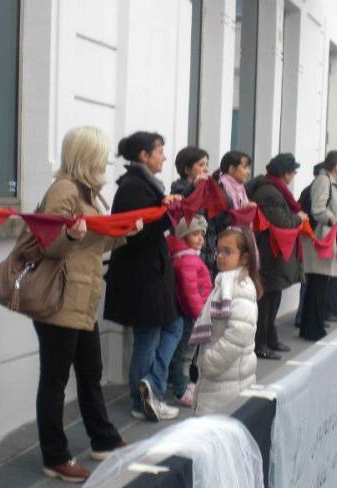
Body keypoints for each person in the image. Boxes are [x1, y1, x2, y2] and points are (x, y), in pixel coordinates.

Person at [32, 127, 136, 483]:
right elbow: (48, 244)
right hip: (61, 301)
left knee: (90, 374)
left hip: (81, 300)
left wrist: (122, 233)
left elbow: (90, 247)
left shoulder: (88, 193)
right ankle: (55, 455)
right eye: (101, 154)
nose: (105, 161)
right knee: (56, 381)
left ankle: (102, 439)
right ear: (85, 156)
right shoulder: (64, 190)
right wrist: (70, 235)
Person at [103, 131, 182, 422]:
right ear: (143, 156)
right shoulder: (134, 188)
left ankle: (151, 385)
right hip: (141, 277)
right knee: (148, 337)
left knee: (170, 326)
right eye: (159, 150)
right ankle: (143, 399)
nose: (164, 156)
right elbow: (135, 234)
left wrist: (166, 206)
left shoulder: (146, 185)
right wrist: (165, 212)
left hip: (151, 273)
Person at [190, 227, 260, 414]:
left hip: (228, 381)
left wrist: (209, 362)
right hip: (218, 381)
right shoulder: (224, 283)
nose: (220, 256)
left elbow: (238, 335)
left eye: (227, 252)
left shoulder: (240, 287)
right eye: (218, 250)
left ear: (244, 258)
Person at [247, 153, 307, 360]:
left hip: (275, 252)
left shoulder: (274, 189)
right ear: (285, 173)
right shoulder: (269, 193)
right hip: (269, 252)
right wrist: (298, 218)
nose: (293, 176)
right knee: (266, 301)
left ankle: (270, 338)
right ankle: (260, 343)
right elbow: (282, 222)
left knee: (274, 297)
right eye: (292, 171)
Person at [299, 150, 337, 341]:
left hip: (328, 241)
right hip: (321, 242)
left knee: (320, 286)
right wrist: (333, 221)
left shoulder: (333, 183)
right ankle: (313, 329)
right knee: (317, 286)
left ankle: (314, 327)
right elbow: (318, 209)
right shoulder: (324, 181)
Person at [167, 215, 212, 407]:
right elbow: (190, 291)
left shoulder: (188, 256)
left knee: (185, 353)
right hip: (193, 315)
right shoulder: (187, 260)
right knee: (185, 354)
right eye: (195, 234)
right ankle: (181, 389)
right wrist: (200, 314)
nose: (201, 238)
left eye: (202, 234)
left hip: (193, 313)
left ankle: (181, 384)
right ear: (184, 235)